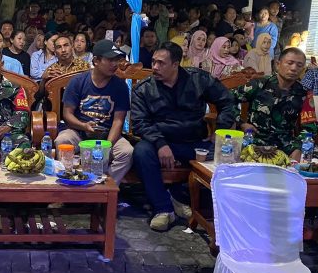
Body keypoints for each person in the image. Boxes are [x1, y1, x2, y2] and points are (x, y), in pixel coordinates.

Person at [132, 42, 236, 231]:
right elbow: (140, 123)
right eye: (153, 62)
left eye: (161, 63)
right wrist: (160, 144)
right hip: (161, 142)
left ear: (175, 64)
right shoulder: (144, 89)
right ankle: (163, 209)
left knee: (227, 155)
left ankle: (179, 196)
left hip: (194, 142)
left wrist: (220, 130)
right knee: (141, 151)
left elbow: (227, 101)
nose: (155, 67)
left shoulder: (198, 79)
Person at [53, 40, 133, 184]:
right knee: (62, 140)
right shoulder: (78, 82)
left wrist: (106, 147)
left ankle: (105, 185)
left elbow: (118, 121)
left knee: (127, 152)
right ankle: (68, 182)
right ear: (96, 61)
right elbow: (67, 114)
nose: (115, 64)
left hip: (108, 135)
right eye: (110, 60)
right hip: (79, 132)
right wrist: (84, 126)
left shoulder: (120, 86)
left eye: (117, 60)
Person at [234, 47, 318, 161]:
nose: (294, 68)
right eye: (290, 63)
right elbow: (230, 99)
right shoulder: (260, 84)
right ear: (278, 64)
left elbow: (310, 126)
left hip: (285, 145)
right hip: (254, 141)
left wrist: (298, 147)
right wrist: (241, 123)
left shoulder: (304, 94)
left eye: (299, 65)